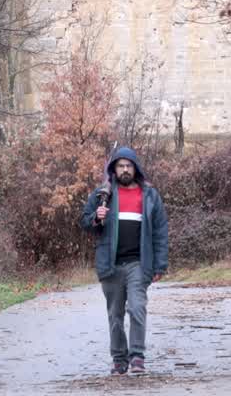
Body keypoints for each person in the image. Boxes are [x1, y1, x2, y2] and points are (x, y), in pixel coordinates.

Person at [79, 146, 169, 376]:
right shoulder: (103, 195)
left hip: (139, 263)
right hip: (110, 265)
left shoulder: (149, 195)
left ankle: (137, 356)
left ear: (135, 168)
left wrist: (160, 264)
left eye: (129, 165)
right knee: (115, 315)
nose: (125, 169)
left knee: (137, 307)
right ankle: (119, 359)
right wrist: (96, 218)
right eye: (121, 166)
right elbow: (85, 222)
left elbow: (160, 231)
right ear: (114, 169)